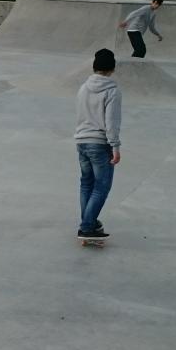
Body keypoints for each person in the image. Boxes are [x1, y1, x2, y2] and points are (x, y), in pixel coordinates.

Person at [73, 49, 122, 239]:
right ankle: (87, 227)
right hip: (99, 144)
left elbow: (80, 114)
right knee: (101, 186)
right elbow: (112, 123)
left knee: (87, 183)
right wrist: (115, 147)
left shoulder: (83, 87)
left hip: (81, 141)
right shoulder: (112, 91)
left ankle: (89, 222)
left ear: (94, 67)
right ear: (112, 68)